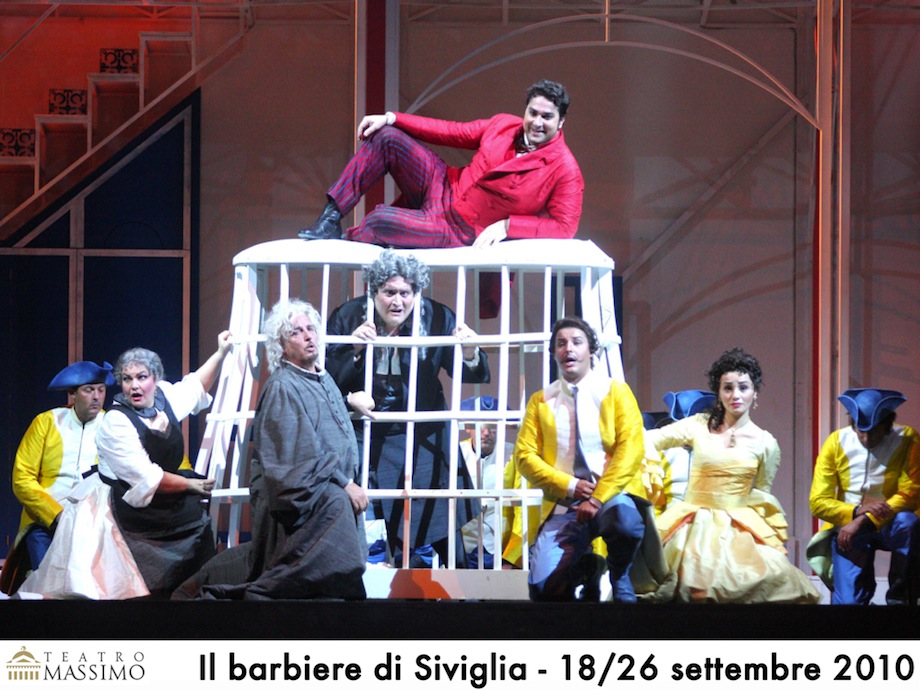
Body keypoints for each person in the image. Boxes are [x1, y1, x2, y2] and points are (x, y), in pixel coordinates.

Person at [177, 300, 368, 600]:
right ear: (281, 345)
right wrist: (344, 484)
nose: (308, 336)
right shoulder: (283, 387)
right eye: (296, 332)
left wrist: (347, 402)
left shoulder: (321, 377)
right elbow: (294, 461)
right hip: (299, 497)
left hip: (323, 486)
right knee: (335, 509)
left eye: (310, 329)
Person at [17, 334, 232, 599]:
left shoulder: (163, 399)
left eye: (142, 377)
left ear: (155, 379)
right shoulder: (110, 423)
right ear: (73, 394)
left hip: (150, 499)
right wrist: (188, 484)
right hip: (110, 508)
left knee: (195, 535)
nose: (134, 386)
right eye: (128, 379)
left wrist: (220, 353)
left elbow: (195, 386)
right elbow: (144, 475)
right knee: (105, 587)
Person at [325, 250, 489, 566]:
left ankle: (463, 585)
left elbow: (466, 373)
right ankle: (394, 582)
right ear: (373, 291)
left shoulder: (437, 316)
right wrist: (353, 350)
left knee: (442, 518)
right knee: (374, 516)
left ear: (416, 292)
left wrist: (470, 352)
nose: (397, 302)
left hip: (424, 429)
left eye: (405, 293)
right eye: (389, 292)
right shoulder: (348, 315)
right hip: (366, 430)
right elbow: (325, 377)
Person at [298, 79, 583, 249]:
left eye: (547, 117)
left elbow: (564, 228)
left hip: (456, 229)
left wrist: (510, 226)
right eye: (533, 113)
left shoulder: (565, 169)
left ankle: (344, 241)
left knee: (378, 221)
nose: (537, 122)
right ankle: (330, 219)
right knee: (387, 137)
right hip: (442, 184)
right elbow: (452, 131)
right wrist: (392, 118)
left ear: (561, 122)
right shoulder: (504, 124)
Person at [639, 347, 820, 604]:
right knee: (692, 583)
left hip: (739, 525)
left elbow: (761, 494)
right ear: (719, 392)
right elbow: (649, 440)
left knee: (772, 580)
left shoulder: (765, 442)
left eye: (743, 387)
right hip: (693, 523)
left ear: (755, 392)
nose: (735, 395)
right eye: (728, 388)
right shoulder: (699, 425)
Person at [515, 316, 647, 602]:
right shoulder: (541, 400)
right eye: (561, 344)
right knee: (544, 589)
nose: (568, 349)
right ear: (554, 353)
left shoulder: (615, 392)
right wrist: (571, 485)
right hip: (566, 502)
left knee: (625, 522)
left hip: (610, 496)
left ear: (591, 350)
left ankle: (619, 572)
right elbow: (524, 456)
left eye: (577, 342)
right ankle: (586, 568)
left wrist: (598, 497)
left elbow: (631, 448)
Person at [2, 361, 115, 594]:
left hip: (92, 526)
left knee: (89, 591)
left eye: (101, 390)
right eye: (89, 390)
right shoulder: (46, 422)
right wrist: (56, 515)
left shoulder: (112, 426)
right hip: (45, 524)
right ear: (73, 393)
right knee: (47, 587)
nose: (96, 397)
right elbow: (22, 479)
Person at [807, 388, 920, 605]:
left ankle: (900, 597)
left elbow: (911, 493)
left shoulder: (907, 438)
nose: (866, 438)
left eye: (874, 431)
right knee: (848, 604)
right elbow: (818, 502)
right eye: (861, 430)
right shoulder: (836, 442)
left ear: (887, 425)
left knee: (908, 521)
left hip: (889, 521)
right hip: (848, 528)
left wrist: (864, 519)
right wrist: (855, 512)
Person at [458, 396, 518, 569]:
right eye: (480, 425)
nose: (486, 432)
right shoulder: (456, 453)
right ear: (468, 428)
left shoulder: (514, 454)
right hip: (463, 544)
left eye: (493, 426)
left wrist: (514, 556)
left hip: (502, 544)